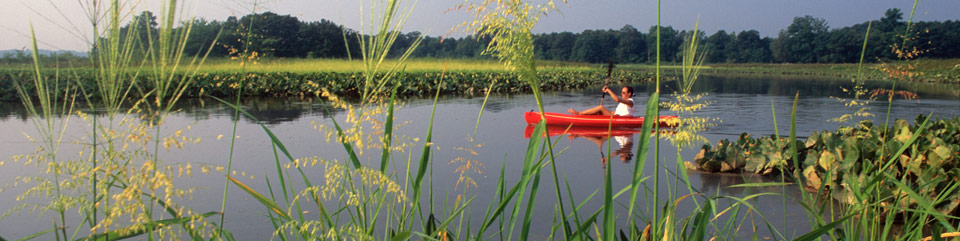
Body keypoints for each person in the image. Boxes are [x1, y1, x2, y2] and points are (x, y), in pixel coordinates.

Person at [568, 86, 635, 116]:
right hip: (616, 117)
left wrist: (608, 90)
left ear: (629, 94)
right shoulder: (623, 102)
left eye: (623, 93)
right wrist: (605, 113)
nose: (621, 94)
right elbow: (618, 111)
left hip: (620, 120)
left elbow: (617, 99)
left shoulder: (630, 102)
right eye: (621, 92)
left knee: (601, 107)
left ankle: (579, 113)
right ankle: (600, 141)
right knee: (599, 111)